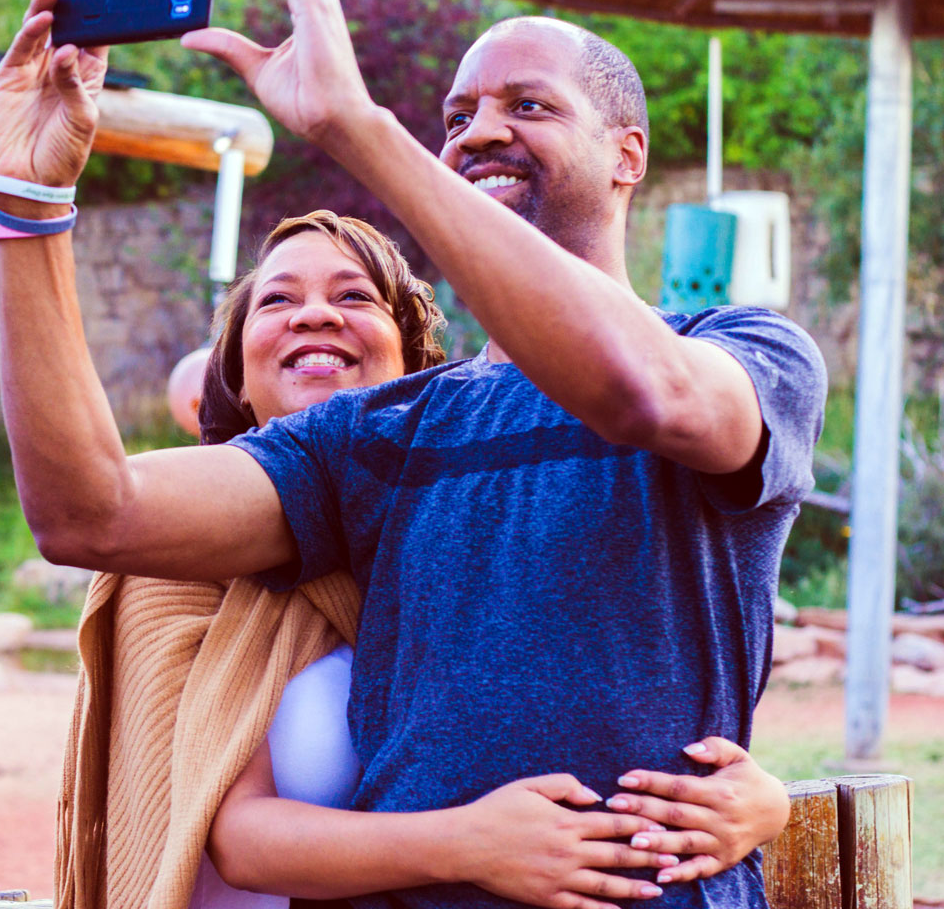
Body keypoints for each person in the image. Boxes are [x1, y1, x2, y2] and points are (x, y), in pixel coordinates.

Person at [0, 0, 826, 905]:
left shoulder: (748, 350)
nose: (481, 131)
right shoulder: (387, 433)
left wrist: (354, 124)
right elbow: (92, 512)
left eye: (531, 105)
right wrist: (27, 202)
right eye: (458, 114)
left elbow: (647, 394)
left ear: (627, 155)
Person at [54, 211, 792, 909]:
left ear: (417, 374)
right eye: (277, 299)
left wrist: (766, 801)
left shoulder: (445, 543)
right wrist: (467, 844)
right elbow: (234, 841)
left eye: (354, 296)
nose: (315, 314)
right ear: (237, 375)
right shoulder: (175, 563)